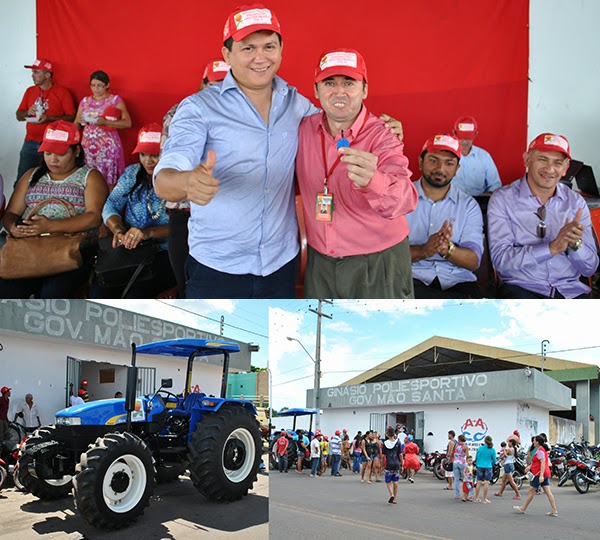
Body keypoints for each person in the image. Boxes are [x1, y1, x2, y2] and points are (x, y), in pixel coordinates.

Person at [154, 5, 403, 298]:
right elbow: (165, 176)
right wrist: (186, 182)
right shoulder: (199, 108)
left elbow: (341, 124)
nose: (260, 57)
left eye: (269, 46)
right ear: (227, 54)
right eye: (248, 48)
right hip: (217, 267)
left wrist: (383, 126)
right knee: (217, 344)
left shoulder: (298, 106)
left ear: (281, 50)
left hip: (280, 265)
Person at [296, 48, 417, 298]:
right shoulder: (302, 129)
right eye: (329, 82)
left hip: (378, 263)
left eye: (349, 82)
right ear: (316, 91)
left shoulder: (384, 135)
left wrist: (374, 181)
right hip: (321, 263)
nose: (339, 92)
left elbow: (406, 199)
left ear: (364, 90)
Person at [0, 121, 108, 298]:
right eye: (48, 153)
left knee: (52, 293)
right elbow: (11, 214)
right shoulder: (32, 175)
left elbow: (94, 217)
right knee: (6, 289)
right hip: (29, 249)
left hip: (71, 251)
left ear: (77, 151)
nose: (53, 160)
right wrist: (14, 227)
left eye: (61, 154)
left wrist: (49, 226)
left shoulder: (90, 176)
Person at [488, 133, 598, 298]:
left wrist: (576, 245)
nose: (550, 169)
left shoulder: (576, 203)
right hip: (522, 289)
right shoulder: (502, 200)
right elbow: (501, 261)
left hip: (569, 291)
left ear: (566, 168)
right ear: (527, 160)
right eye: (543, 159)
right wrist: (551, 248)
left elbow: (590, 268)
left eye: (558, 163)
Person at [161, 59, 230, 298]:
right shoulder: (180, 113)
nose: (221, 89)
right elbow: (170, 163)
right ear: (203, 84)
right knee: (186, 284)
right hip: (185, 210)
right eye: (215, 83)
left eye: (227, 83)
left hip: (225, 215)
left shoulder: (247, 115)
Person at [90, 123, 176, 298]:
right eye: (143, 154)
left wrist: (148, 233)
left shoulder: (179, 178)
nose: (147, 161)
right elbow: (110, 206)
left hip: (166, 252)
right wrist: (118, 230)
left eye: (155, 155)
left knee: (136, 293)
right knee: (101, 288)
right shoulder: (132, 174)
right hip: (131, 249)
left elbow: (185, 226)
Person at [406, 134, 484, 298]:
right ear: (420, 162)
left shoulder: (469, 206)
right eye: (433, 160)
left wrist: (447, 249)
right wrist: (423, 250)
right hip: (412, 278)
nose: (440, 168)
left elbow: (474, 261)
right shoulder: (400, 198)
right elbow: (387, 257)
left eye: (449, 163)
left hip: (458, 281)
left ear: (457, 169)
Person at [15, 58, 76, 183]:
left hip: (54, 144)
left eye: (36, 72)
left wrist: (49, 119)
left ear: (47, 75)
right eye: (33, 72)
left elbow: (72, 117)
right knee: (22, 180)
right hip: (30, 142)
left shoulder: (62, 92)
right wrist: (28, 113)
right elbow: (18, 115)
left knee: (52, 181)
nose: (33, 75)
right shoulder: (30, 91)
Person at [75, 70, 132, 187]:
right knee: (90, 178)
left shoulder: (115, 101)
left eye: (99, 86)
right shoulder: (85, 101)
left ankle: (110, 202)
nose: (96, 89)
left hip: (107, 147)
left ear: (107, 85)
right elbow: (76, 123)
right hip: (88, 147)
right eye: (93, 85)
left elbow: (127, 123)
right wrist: (81, 122)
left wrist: (105, 122)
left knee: (108, 179)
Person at [451, 116, 502, 196]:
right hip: (451, 202)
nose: (464, 141)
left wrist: (485, 196)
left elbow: (495, 186)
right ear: (454, 133)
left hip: (479, 202)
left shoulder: (484, 156)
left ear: (476, 134)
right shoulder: (446, 156)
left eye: (468, 138)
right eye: (461, 137)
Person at [514, 434, 558, 516]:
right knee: (548, 492)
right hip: (543, 473)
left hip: (539, 474)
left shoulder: (540, 450)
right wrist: (529, 467)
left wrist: (541, 475)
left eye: (534, 440)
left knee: (531, 490)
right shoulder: (540, 450)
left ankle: (523, 508)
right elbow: (537, 461)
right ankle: (554, 510)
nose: (533, 442)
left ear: (537, 442)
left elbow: (543, 463)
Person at [382, 427, 403, 504]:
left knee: (388, 481)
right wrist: (402, 464)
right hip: (396, 463)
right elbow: (400, 454)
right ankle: (395, 498)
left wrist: (382, 465)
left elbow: (383, 456)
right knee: (396, 481)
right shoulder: (398, 442)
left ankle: (391, 494)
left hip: (389, 464)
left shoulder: (385, 443)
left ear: (387, 435)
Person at [474, 435, 496, 503]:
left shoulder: (480, 448)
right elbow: (494, 460)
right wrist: (491, 464)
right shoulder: (492, 450)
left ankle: (476, 498)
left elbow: (476, 457)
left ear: (484, 441)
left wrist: (477, 464)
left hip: (479, 466)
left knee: (479, 482)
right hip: (488, 466)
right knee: (486, 483)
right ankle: (484, 499)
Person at [452, 434, 470, 499]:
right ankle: (465, 494)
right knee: (465, 478)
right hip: (462, 463)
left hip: (455, 462)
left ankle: (457, 494)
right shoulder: (465, 447)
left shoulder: (455, 445)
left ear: (459, 439)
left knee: (456, 479)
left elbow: (453, 453)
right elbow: (467, 456)